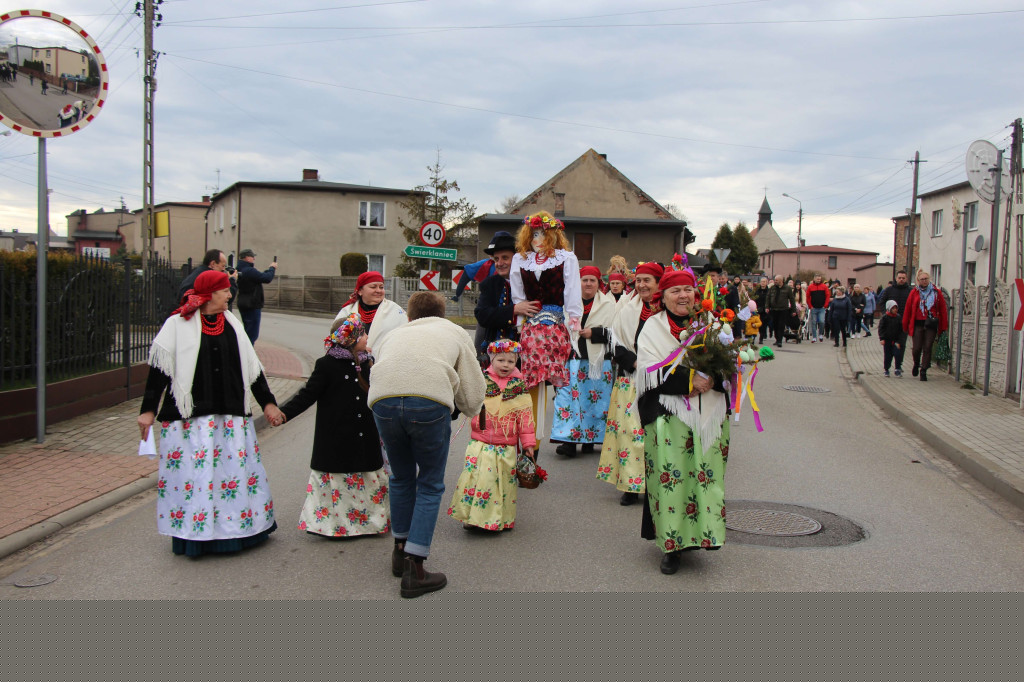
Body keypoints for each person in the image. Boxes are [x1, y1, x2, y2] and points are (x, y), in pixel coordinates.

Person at [137, 270, 284, 557]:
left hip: (230, 419)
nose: (230, 295)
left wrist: (268, 403)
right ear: (209, 294)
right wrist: (147, 411)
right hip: (190, 422)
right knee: (197, 479)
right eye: (225, 290)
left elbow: (251, 370)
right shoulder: (177, 325)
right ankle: (195, 535)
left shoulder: (232, 324)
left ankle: (238, 532)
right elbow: (159, 372)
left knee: (231, 477)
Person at [369, 291, 486, 598]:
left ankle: (399, 549)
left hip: (383, 401)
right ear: (442, 315)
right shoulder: (453, 331)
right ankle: (415, 566)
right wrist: (466, 408)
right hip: (428, 402)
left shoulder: (395, 334)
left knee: (401, 475)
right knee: (431, 483)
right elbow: (473, 391)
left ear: (409, 317)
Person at [635, 266, 731, 574]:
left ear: (696, 293)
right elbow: (648, 372)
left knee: (704, 477)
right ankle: (672, 545)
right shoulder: (653, 328)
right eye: (675, 291)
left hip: (708, 415)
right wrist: (690, 380)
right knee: (671, 481)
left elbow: (730, 364)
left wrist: (711, 379)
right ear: (662, 297)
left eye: (688, 289)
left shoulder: (713, 325)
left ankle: (703, 536)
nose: (683, 296)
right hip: (668, 415)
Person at [276, 315, 389, 538]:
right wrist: (284, 414)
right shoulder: (326, 365)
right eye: (363, 333)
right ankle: (335, 526)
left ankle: (369, 523)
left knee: (367, 477)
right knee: (338, 481)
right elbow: (308, 395)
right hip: (336, 437)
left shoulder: (369, 362)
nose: (367, 336)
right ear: (351, 338)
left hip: (365, 435)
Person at [447, 339, 536, 532]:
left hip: (506, 446)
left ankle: (499, 519)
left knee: (502, 483)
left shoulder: (519, 386)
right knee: (477, 479)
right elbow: (468, 399)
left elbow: (526, 417)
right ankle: (472, 517)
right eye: (501, 360)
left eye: (511, 362)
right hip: (480, 442)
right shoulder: (482, 381)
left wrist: (528, 444)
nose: (505, 365)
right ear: (491, 359)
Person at [597, 261, 663, 506]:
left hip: (659, 381)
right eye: (639, 280)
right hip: (631, 379)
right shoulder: (626, 308)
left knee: (653, 434)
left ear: (658, 284)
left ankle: (654, 483)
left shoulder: (666, 311)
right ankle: (631, 485)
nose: (643, 285)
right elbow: (615, 342)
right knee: (629, 434)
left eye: (648, 280)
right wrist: (634, 363)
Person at [510, 211, 583, 390]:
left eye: (544, 234)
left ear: (552, 235)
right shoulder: (520, 259)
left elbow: (572, 290)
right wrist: (520, 322)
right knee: (532, 380)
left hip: (555, 327)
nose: (539, 239)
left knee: (557, 377)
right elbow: (518, 293)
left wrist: (574, 318)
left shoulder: (565, 258)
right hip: (531, 328)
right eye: (534, 234)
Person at [551, 266, 615, 458]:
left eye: (592, 280)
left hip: (597, 362)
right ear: (578, 283)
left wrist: (593, 332)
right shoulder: (568, 303)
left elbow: (618, 333)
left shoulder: (609, 304)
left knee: (594, 403)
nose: (588, 283)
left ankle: (591, 439)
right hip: (570, 359)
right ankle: (568, 441)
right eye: (584, 280)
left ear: (599, 284)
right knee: (567, 400)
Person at [475, 231, 537, 355]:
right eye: (496, 259)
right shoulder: (490, 284)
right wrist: (514, 310)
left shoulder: (532, 281)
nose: (499, 263)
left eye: (505, 258)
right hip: (498, 354)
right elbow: (482, 315)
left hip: (527, 351)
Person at [335, 270, 407, 356]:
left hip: (384, 362)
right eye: (373, 287)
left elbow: (405, 338)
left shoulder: (395, 310)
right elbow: (337, 339)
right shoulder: (347, 311)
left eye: (381, 287)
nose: (378, 290)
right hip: (353, 363)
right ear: (360, 291)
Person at [902, 270, 948, 382]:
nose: (924, 281)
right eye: (922, 279)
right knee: (916, 348)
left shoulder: (936, 292)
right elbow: (908, 309)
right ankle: (916, 363)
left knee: (928, 347)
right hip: (918, 323)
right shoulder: (914, 292)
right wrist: (905, 325)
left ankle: (924, 370)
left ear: (929, 279)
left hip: (931, 323)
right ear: (918, 280)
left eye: (926, 279)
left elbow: (942, 309)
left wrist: (943, 326)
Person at [235, 249, 277, 344]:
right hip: (252, 304)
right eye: (252, 256)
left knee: (247, 330)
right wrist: (272, 268)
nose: (254, 258)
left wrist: (268, 271)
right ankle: (248, 355)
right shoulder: (249, 270)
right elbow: (266, 278)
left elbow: (260, 277)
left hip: (243, 302)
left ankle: (246, 353)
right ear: (247, 258)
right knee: (252, 334)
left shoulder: (239, 269)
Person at [766, 275, 796, 348]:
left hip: (783, 310)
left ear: (781, 281)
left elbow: (792, 299)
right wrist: (767, 307)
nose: (775, 281)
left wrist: (793, 310)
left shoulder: (787, 288)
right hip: (774, 309)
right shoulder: (772, 288)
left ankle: (780, 340)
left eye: (776, 280)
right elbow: (768, 297)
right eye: (775, 280)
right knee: (775, 325)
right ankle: (777, 339)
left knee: (781, 325)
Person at [878, 300, 904, 377]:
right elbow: (881, 329)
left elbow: (900, 330)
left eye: (896, 308)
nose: (895, 310)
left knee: (898, 354)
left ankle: (897, 369)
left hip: (896, 340)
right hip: (887, 341)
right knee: (888, 356)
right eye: (893, 308)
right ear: (889, 308)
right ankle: (886, 369)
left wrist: (899, 340)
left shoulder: (898, 317)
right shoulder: (885, 317)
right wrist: (882, 338)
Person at [805, 274, 830, 343]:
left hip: (822, 308)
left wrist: (825, 305)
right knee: (813, 323)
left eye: (819, 279)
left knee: (822, 321)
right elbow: (808, 297)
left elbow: (827, 296)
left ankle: (820, 334)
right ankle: (814, 337)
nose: (819, 280)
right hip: (814, 308)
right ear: (814, 279)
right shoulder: (810, 287)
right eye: (817, 279)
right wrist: (810, 306)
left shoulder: (824, 287)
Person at [754, 277, 772, 345]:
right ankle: (755, 336)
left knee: (763, 325)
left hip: (765, 310)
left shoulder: (768, 291)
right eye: (762, 281)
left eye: (764, 282)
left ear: (766, 283)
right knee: (757, 324)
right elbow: (755, 299)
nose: (763, 283)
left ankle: (761, 338)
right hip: (758, 309)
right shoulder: (757, 291)